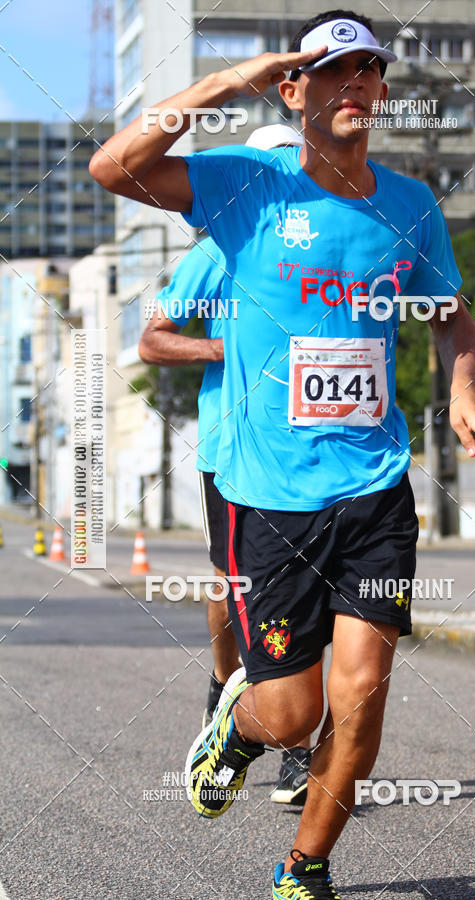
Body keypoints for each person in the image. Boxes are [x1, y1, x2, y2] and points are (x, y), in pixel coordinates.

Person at [90, 10, 475, 899]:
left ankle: (305, 868)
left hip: (377, 488)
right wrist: (221, 88)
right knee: (292, 712)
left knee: (362, 691)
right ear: (294, 88)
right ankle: (242, 724)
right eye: (336, 71)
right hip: (267, 490)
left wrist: (465, 384)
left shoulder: (409, 205)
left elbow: (452, 313)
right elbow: (112, 168)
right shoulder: (245, 187)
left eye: (370, 73)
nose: (358, 86)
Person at [138, 124, 314, 806]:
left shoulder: (327, 247)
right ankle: (225, 682)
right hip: (235, 448)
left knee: (311, 598)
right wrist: (225, 353)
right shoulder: (219, 251)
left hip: (321, 450)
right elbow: (154, 340)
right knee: (231, 586)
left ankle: (300, 747)